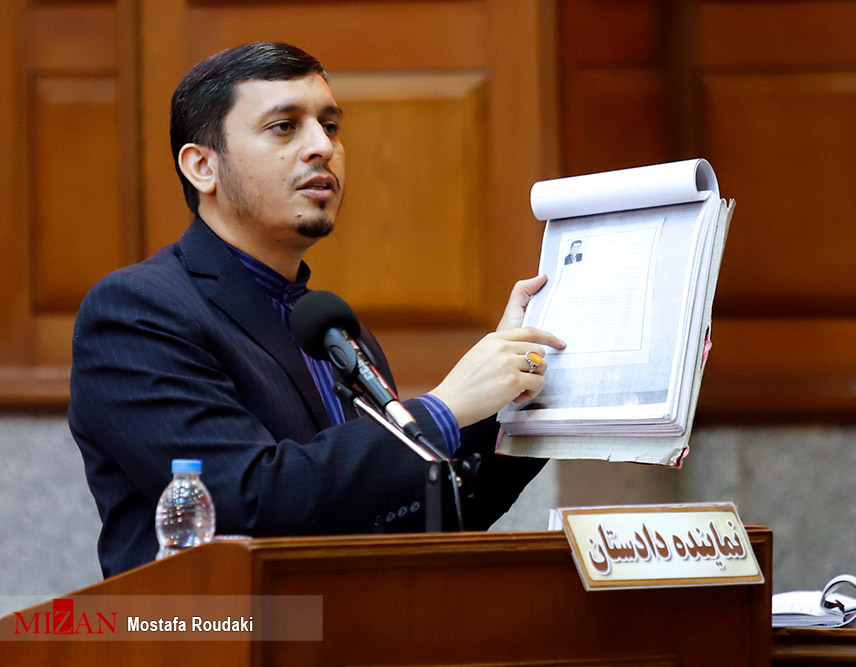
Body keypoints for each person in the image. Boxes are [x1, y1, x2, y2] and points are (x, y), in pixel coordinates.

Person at [69, 42, 564, 578]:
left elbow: (423, 517)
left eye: (330, 126)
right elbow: (245, 500)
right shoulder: (136, 312)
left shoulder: (329, 327)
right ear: (203, 166)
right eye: (284, 126)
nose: (321, 147)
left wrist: (521, 398)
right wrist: (444, 407)